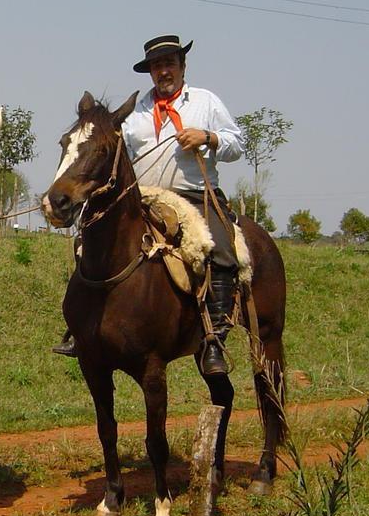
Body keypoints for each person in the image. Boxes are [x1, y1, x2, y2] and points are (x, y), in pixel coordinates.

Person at [52, 34, 245, 377]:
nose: (163, 71)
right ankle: (82, 330)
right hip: (145, 198)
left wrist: (208, 137)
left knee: (220, 251)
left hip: (195, 197)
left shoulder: (205, 102)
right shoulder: (137, 112)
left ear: (182, 66)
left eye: (169, 63)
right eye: (157, 66)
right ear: (150, 72)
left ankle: (213, 338)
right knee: (87, 241)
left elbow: (236, 144)